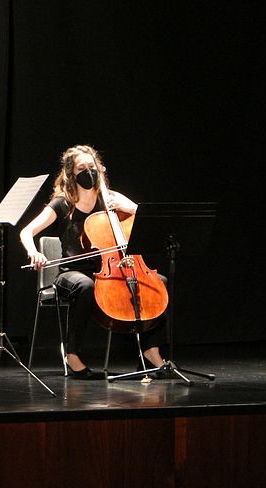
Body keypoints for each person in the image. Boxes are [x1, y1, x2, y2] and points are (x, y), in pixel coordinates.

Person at [19, 145, 168, 379]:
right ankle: (72, 354)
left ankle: (151, 351)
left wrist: (127, 207)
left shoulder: (109, 197)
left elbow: (144, 216)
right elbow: (27, 232)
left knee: (157, 282)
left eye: (92, 167)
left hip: (113, 271)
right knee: (85, 286)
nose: (89, 172)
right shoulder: (63, 203)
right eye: (82, 168)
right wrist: (33, 252)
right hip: (73, 273)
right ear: (71, 174)